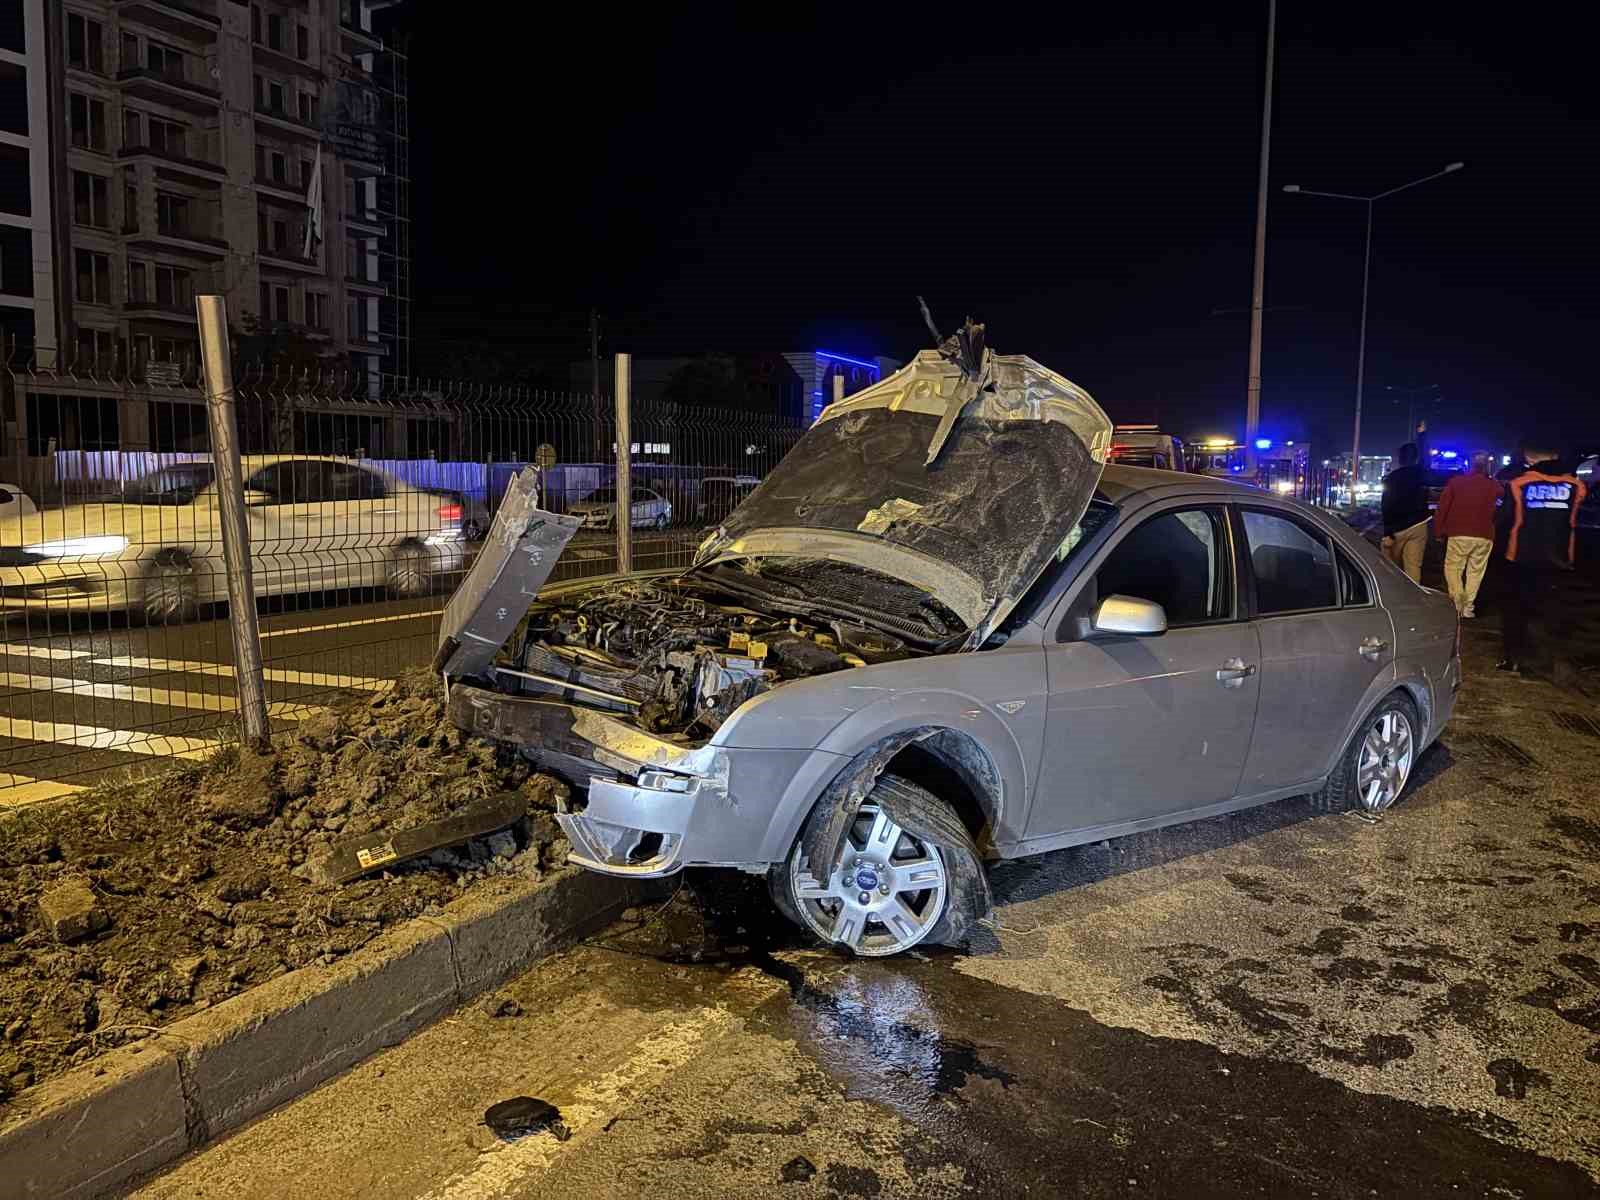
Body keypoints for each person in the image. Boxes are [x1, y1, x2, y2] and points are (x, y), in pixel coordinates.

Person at [1496, 441, 1588, 673]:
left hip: (1520, 557)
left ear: (1530, 459)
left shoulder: (1518, 484)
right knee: (1551, 610)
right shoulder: (1576, 486)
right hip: (1559, 559)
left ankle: (1514, 658)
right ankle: (1551, 660)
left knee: (1516, 611)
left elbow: (1503, 521)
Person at [1433, 452, 1502, 617]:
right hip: (1484, 535)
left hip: (1458, 533)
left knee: (1453, 568)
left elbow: (1443, 508)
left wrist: (1439, 530)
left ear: (1469, 465)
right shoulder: (1494, 486)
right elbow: (1500, 505)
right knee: (1475, 572)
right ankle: (1468, 607)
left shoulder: (1456, 483)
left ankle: (1457, 603)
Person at [1380, 442, 1431, 582]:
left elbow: (1386, 505)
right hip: (1418, 526)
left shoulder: (1392, 478)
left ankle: (1392, 597)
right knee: (1414, 567)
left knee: (1390, 567)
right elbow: (1429, 463)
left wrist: (1387, 532)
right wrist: (1422, 436)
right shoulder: (1421, 474)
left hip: (1396, 529)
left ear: (1400, 458)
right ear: (1416, 458)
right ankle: (1412, 598)